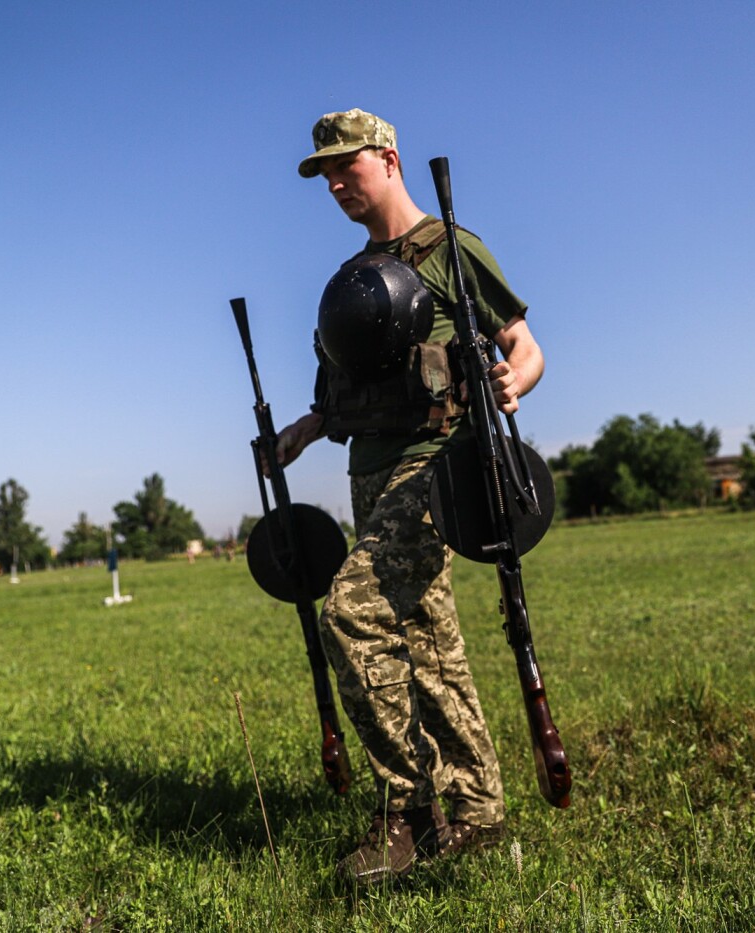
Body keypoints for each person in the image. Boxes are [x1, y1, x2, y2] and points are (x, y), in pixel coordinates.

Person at [272, 109, 544, 885]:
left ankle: (410, 809)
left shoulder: (451, 251)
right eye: (323, 174)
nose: (332, 183)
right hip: (369, 473)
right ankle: (480, 812)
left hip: (438, 469)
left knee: (350, 614)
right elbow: (340, 395)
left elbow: (524, 347)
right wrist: (302, 430)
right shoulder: (356, 279)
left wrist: (511, 379)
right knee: (429, 643)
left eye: (344, 167)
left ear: (387, 159)